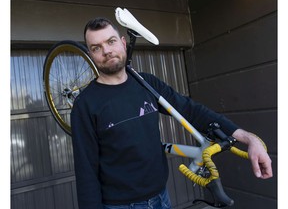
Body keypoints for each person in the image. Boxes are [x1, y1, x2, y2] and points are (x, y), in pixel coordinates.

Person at [71, 17, 273, 209]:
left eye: (111, 41)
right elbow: (86, 172)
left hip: (161, 197)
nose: (106, 50)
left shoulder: (147, 83)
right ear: (90, 55)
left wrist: (248, 138)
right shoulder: (85, 104)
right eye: (96, 48)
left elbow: (190, 110)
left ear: (123, 43)